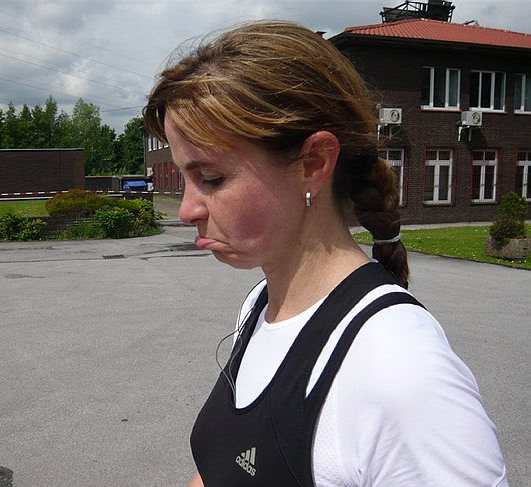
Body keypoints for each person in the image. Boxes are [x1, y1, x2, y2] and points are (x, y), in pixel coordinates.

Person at [143, 20, 508, 487]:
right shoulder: (260, 305)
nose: (186, 210)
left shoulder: (401, 369)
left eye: (211, 178)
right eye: (184, 178)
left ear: (313, 163)